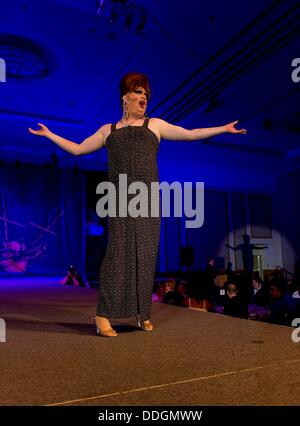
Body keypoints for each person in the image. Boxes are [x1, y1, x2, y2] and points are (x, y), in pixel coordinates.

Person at [28, 72, 246, 337]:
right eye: (138, 91)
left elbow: (189, 134)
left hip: (148, 198)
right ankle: (102, 315)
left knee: (145, 255)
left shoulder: (154, 125)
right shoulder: (108, 130)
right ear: (125, 97)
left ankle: (144, 314)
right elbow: (77, 149)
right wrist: (50, 134)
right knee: (117, 256)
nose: (143, 97)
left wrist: (223, 128)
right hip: (120, 198)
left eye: (145, 93)